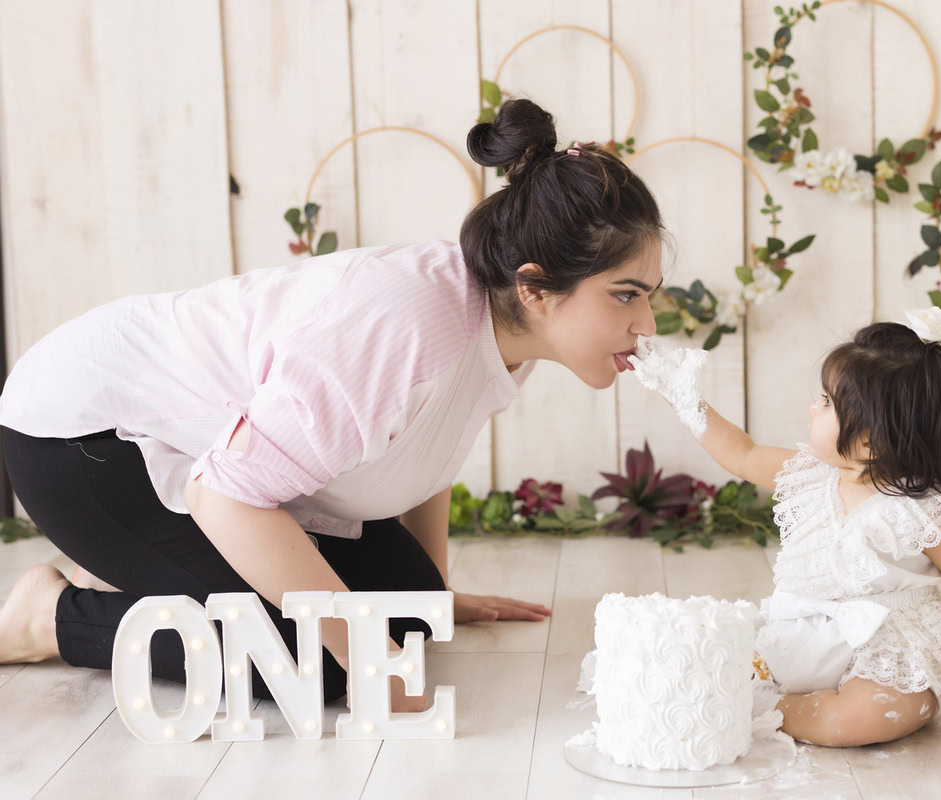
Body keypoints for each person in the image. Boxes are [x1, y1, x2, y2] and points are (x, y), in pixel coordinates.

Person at [0, 97, 668, 710]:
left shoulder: (505, 329)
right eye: (625, 294)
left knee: (403, 615)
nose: (648, 323)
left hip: (209, 451)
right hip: (86, 437)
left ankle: (151, 568)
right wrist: (368, 669)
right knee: (317, 665)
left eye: (649, 294)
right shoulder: (403, 327)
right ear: (537, 288)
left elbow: (426, 448)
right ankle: (50, 617)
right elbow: (226, 494)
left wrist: (432, 597)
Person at [629, 307, 941, 745]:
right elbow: (742, 454)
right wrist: (686, 399)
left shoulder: (922, 509)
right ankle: (745, 691)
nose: (812, 407)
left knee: (864, 717)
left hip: (885, 643)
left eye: (826, 402)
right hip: (802, 629)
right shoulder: (809, 474)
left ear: (870, 440)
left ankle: (769, 708)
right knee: (699, 655)